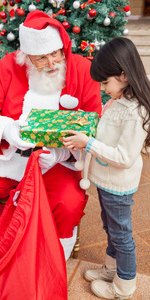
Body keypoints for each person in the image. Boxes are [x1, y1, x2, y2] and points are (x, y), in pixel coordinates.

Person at [0, 10, 101, 260]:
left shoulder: (83, 70)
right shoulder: (10, 66)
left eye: (55, 53)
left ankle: (51, 254)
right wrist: (6, 130)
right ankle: (4, 241)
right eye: (41, 58)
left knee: (69, 204)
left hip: (57, 163)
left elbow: (92, 122)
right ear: (27, 57)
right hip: (8, 157)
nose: (52, 63)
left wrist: (60, 153)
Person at [63, 36, 150, 299]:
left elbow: (124, 156)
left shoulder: (134, 111)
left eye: (105, 82)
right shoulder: (119, 98)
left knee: (121, 235)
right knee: (111, 228)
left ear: (123, 74)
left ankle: (124, 286)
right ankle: (111, 270)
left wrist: (88, 143)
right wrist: (87, 134)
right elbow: (106, 133)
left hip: (118, 184)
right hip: (106, 179)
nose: (102, 88)